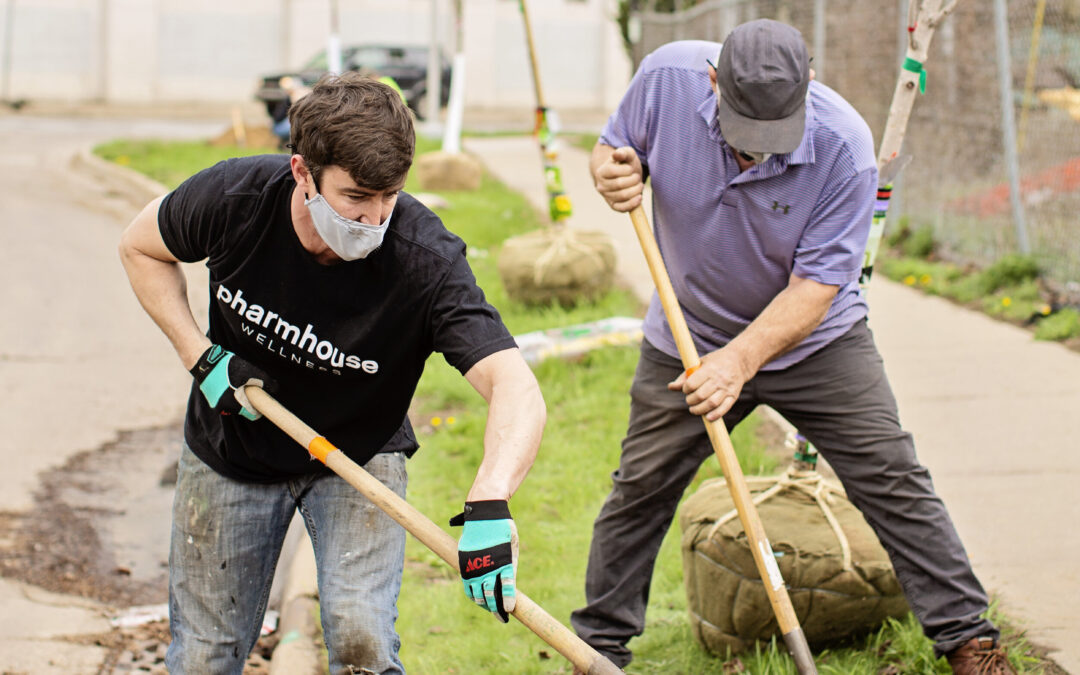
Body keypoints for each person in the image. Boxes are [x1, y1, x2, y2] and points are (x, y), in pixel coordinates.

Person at [569, 19, 1014, 675]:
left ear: (808, 83)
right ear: (714, 81)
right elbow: (613, 152)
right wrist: (611, 173)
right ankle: (597, 649)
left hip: (816, 344)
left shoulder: (844, 147)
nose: (755, 155)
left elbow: (816, 287)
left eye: (771, 138)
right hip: (688, 335)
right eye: (743, 135)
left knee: (892, 477)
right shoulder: (665, 77)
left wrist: (740, 360)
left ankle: (969, 639)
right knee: (640, 485)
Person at [119, 73, 545, 674]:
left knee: (361, 641)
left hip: (358, 456)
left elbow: (514, 385)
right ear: (302, 173)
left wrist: (491, 499)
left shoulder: (424, 260)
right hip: (232, 451)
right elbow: (141, 247)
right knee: (205, 655)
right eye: (354, 198)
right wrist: (200, 355)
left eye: (388, 197)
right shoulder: (235, 198)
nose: (373, 220)